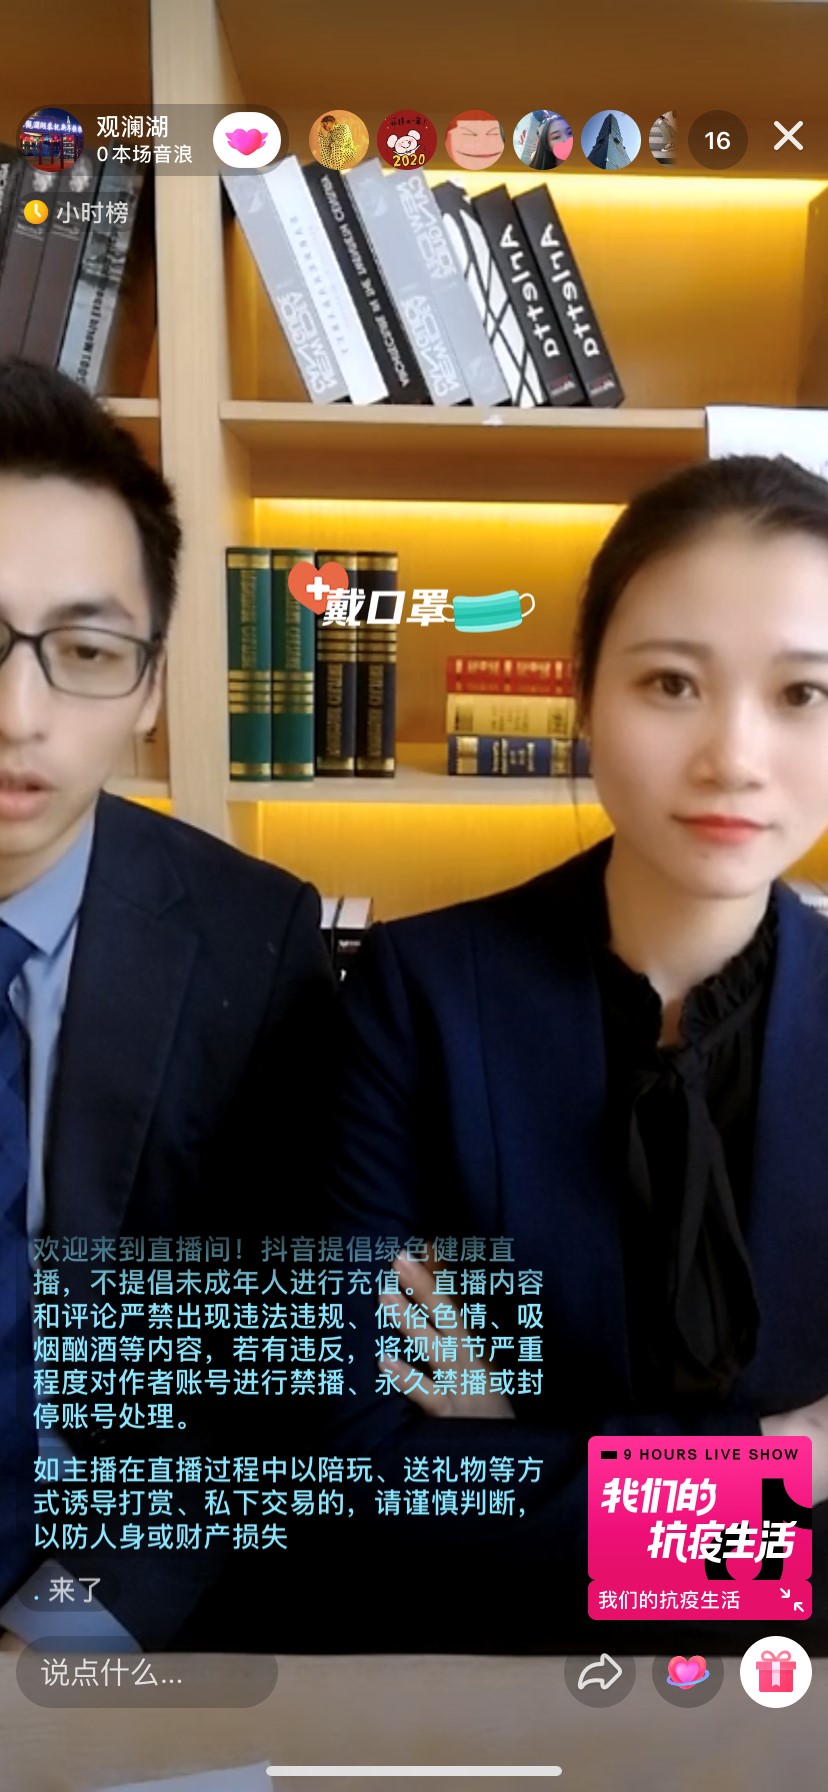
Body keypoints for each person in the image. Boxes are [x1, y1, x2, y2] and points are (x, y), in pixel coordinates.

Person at [323, 453, 828, 1655]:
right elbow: (358, 1483)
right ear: (584, 697)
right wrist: (790, 1465)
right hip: (501, 1690)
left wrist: (525, 1454)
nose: (735, 756)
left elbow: (456, 1496)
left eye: (803, 693)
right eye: (671, 682)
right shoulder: (415, 997)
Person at [0, 357, 338, 1651]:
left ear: (147, 686)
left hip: (102, 1605)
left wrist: (67, 1633)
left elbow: (264, 1366)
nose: (18, 713)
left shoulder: (254, 941)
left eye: (85, 652)